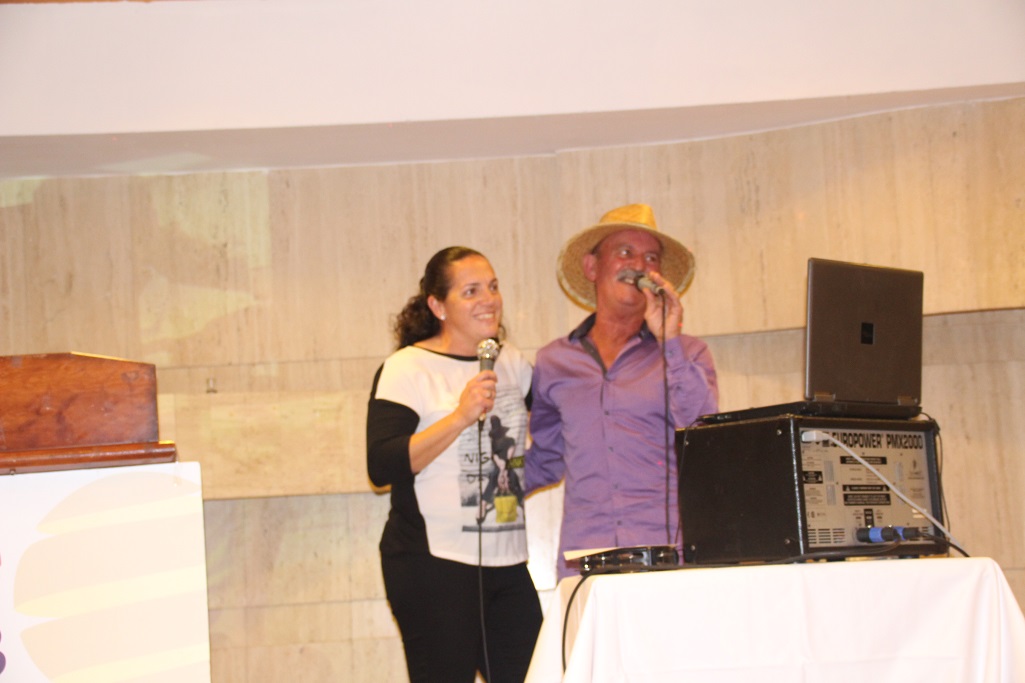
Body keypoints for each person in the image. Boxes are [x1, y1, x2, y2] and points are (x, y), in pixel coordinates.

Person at [366, 246, 542, 683]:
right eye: (471, 291)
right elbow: (382, 465)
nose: (489, 299)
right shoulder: (407, 368)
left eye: (493, 287)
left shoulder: (513, 362)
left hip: (508, 562)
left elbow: (554, 428)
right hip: (432, 565)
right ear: (438, 306)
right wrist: (461, 416)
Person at [526, 203, 719, 579]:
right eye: (625, 252)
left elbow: (703, 432)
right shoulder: (553, 361)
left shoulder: (688, 353)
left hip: (668, 559)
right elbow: (545, 458)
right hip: (585, 560)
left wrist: (670, 341)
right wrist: (483, 483)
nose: (638, 266)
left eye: (651, 258)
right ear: (592, 267)